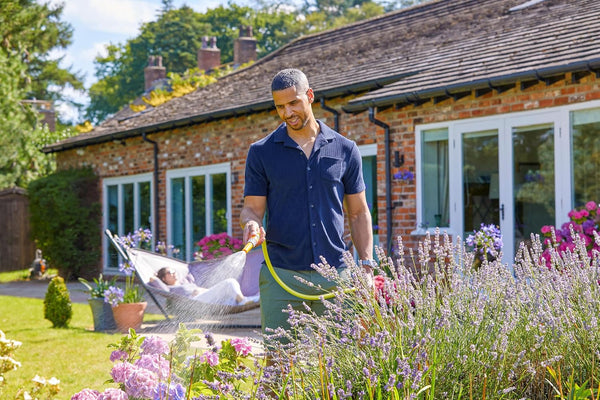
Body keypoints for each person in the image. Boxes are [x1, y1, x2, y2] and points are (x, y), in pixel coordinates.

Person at [240, 68, 374, 338]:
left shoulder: (345, 149)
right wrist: (252, 224)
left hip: (336, 274)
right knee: (278, 364)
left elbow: (359, 213)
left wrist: (367, 268)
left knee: (342, 363)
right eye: (280, 107)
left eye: (293, 103)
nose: (287, 113)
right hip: (281, 275)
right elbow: (252, 208)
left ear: (310, 96)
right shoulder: (261, 152)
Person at [152, 267, 259, 306]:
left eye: (174, 271)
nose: (173, 273)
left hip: (206, 297)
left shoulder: (183, 283)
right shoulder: (169, 289)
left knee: (230, 299)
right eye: (170, 272)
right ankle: (243, 301)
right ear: (164, 279)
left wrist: (200, 290)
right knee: (229, 282)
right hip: (196, 302)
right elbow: (154, 280)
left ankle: (256, 299)